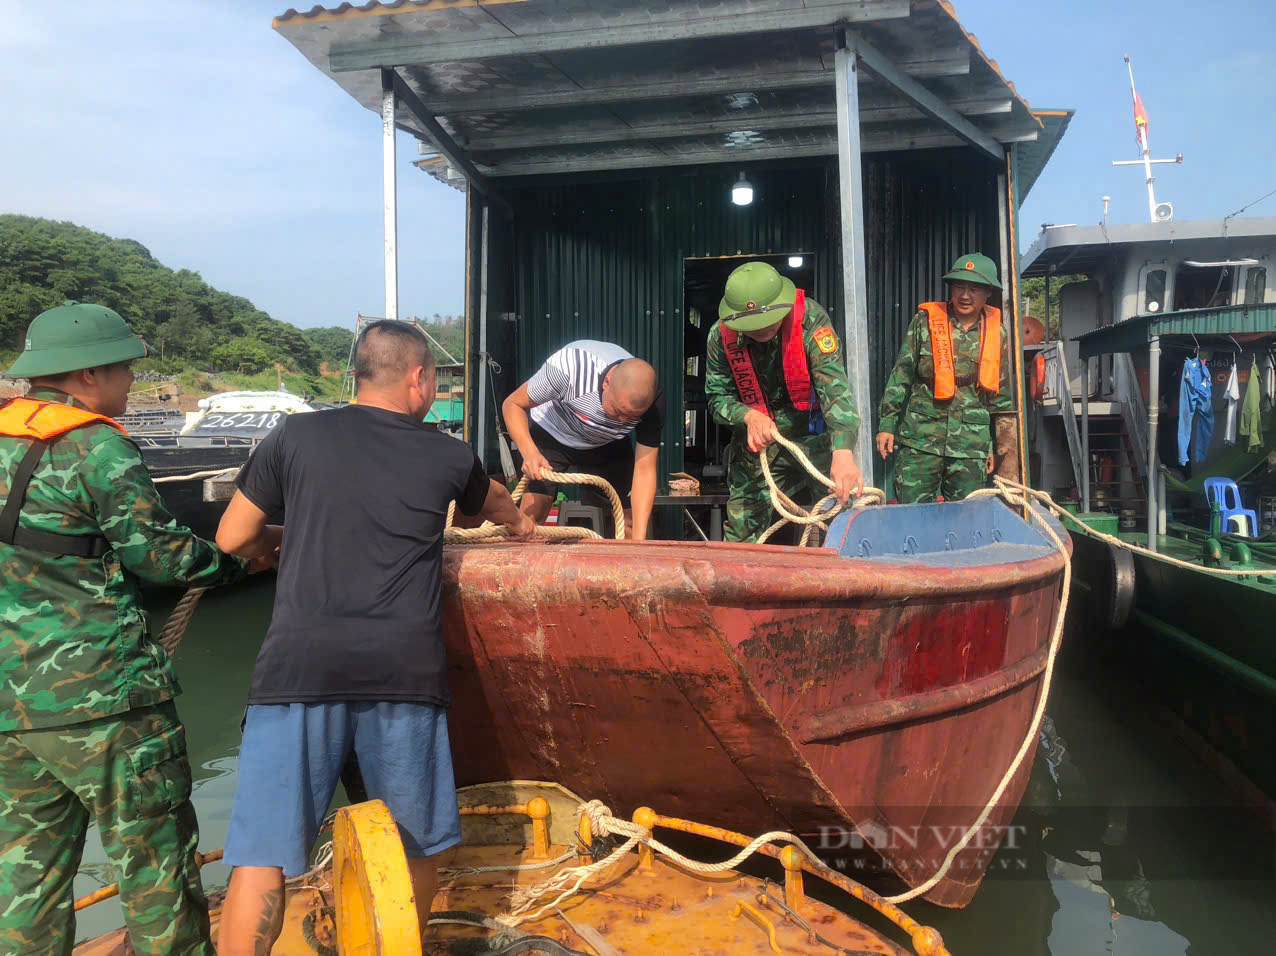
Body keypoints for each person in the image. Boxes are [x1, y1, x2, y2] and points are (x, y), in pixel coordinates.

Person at [213, 320, 534, 954]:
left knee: (262, 854)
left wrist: (284, 543)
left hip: (295, 672)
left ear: (355, 374)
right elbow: (490, 505)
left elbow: (231, 538)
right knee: (417, 843)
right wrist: (521, 523)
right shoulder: (446, 454)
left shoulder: (294, 435)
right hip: (402, 676)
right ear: (420, 378)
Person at [0, 302, 256, 955]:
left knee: (27, 881)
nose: (130, 384)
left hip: (12, 710)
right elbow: (162, 557)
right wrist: (237, 559)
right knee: (157, 872)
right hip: (106, 702)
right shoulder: (96, 444)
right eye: (124, 370)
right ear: (88, 373)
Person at [705, 261, 864, 543]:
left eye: (768, 320)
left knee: (843, 519)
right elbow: (718, 398)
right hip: (757, 445)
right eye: (753, 325)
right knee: (742, 530)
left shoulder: (811, 320)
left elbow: (835, 391)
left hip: (814, 438)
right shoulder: (720, 336)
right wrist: (747, 416)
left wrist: (843, 452)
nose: (763, 328)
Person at [876, 253, 1019, 503]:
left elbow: (1002, 398)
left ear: (988, 293)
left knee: (968, 519)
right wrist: (887, 424)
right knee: (912, 515)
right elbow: (901, 375)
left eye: (974, 289)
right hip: (920, 441)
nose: (965, 295)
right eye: (959, 287)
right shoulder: (924, 323)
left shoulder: (999, 334)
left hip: (970, 446)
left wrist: (996, 449)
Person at [502, 340, 662, 539]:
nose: (622, 421)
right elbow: (512, 404)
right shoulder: (567, 369)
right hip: (554, 433)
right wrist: (530, 453)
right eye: (619, 411)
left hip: (608, 443)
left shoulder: (652, 402)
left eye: (631, 417)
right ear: (607, 383)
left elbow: (645, 470)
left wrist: (639, 543)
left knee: (632, 521)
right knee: (531, 518)